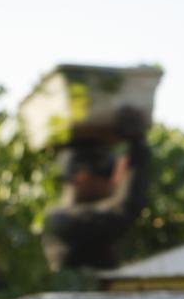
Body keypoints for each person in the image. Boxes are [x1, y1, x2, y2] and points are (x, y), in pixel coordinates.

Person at [42, 106, 152, 270]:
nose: (115, 182)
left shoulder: (64, 218)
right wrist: (139, 147)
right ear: (82, 177)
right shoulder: (61, 221)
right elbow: (123, 209)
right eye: (108, 174)